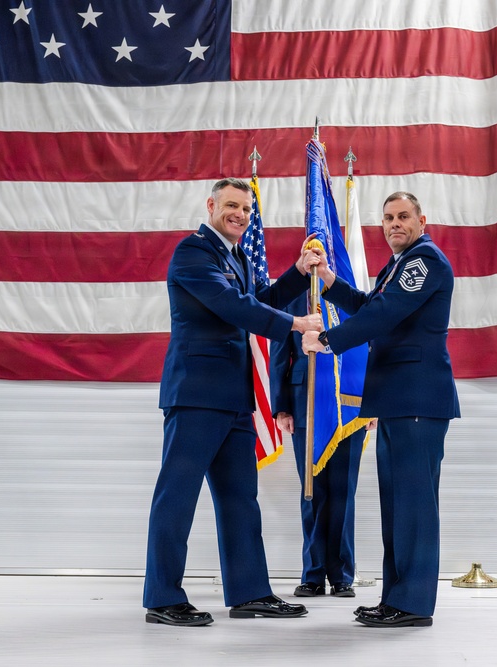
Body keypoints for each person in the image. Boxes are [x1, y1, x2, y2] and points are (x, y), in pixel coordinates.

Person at [143, 177, 324, 627]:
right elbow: (232, 306)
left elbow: (257, 299)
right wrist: (298, 324)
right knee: (177, 497)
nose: (240, 214)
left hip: (234, 399)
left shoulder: (238, 256)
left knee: (241, 499)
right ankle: (162, 597)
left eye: (245, 208)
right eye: (231, 205)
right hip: (197, 396)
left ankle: (249, 594)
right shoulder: (193, 253)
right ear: (211, 205)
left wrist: (298, 274)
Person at [302, 191, 459, 628]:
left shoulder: (424, 261)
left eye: (404, 216)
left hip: (416, 400)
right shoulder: (399, 265)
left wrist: (329, 341)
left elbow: (385, 313)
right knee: (397, 506)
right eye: (388, 217)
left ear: (422, 220)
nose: (395, 224)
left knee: (413, 507)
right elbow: (374, 306)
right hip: (397, 401)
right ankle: (397, 598)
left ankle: (411, 604)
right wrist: (332, 283)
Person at [270, 295, 369, 599]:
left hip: (350, 407)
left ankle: (341, 575)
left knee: (343, 491)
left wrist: (372, 405)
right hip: (306, 404)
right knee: (312, 491)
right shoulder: (293, 301)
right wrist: (282, 407)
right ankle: (313, 574)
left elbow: (370, 350)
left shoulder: (352, 299)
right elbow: (279, 355)